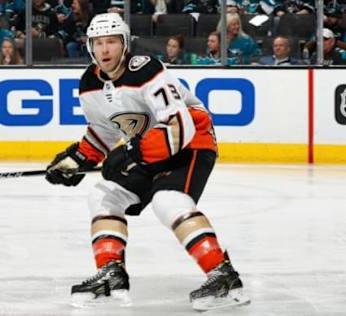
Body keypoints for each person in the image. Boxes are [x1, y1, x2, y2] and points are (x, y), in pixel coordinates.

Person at [45, 12, 250, 311]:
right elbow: (103, 130)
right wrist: (77, 159)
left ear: (125, 44)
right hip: (148, 149)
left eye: (112, 42)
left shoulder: (147, 70)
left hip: (192, 144)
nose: (105, 50)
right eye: (98, 43)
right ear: (90, 46)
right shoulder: (89, 83)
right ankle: (111, 270)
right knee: (103, 195)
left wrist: (130, 153)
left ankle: (222, 274)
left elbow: (180, 125)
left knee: (168, 201)